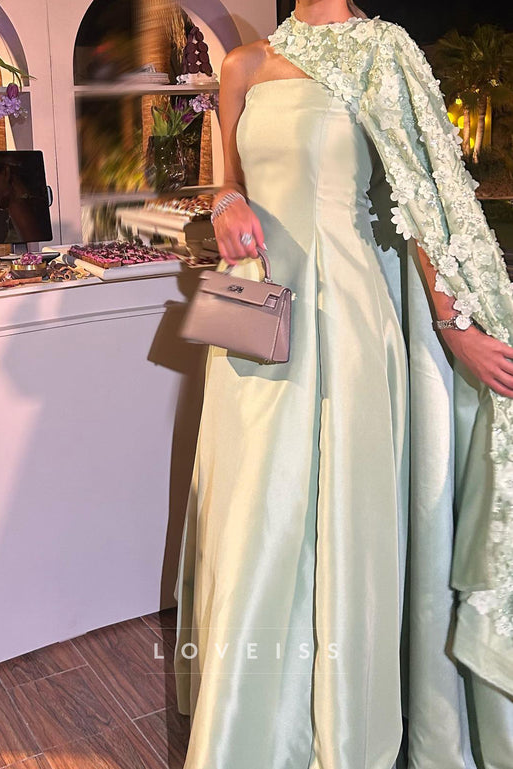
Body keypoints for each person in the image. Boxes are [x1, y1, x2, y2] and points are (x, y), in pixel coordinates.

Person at [173, 1, 513, 767]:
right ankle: (249, 725)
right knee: (256, 517)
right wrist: (224, 201)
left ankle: (348, 720)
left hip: (352, 319)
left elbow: (423, 200)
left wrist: (454, 321)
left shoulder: (384, 51)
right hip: (256, 317)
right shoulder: (242, 65)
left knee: (346, 516)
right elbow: (227, 181)